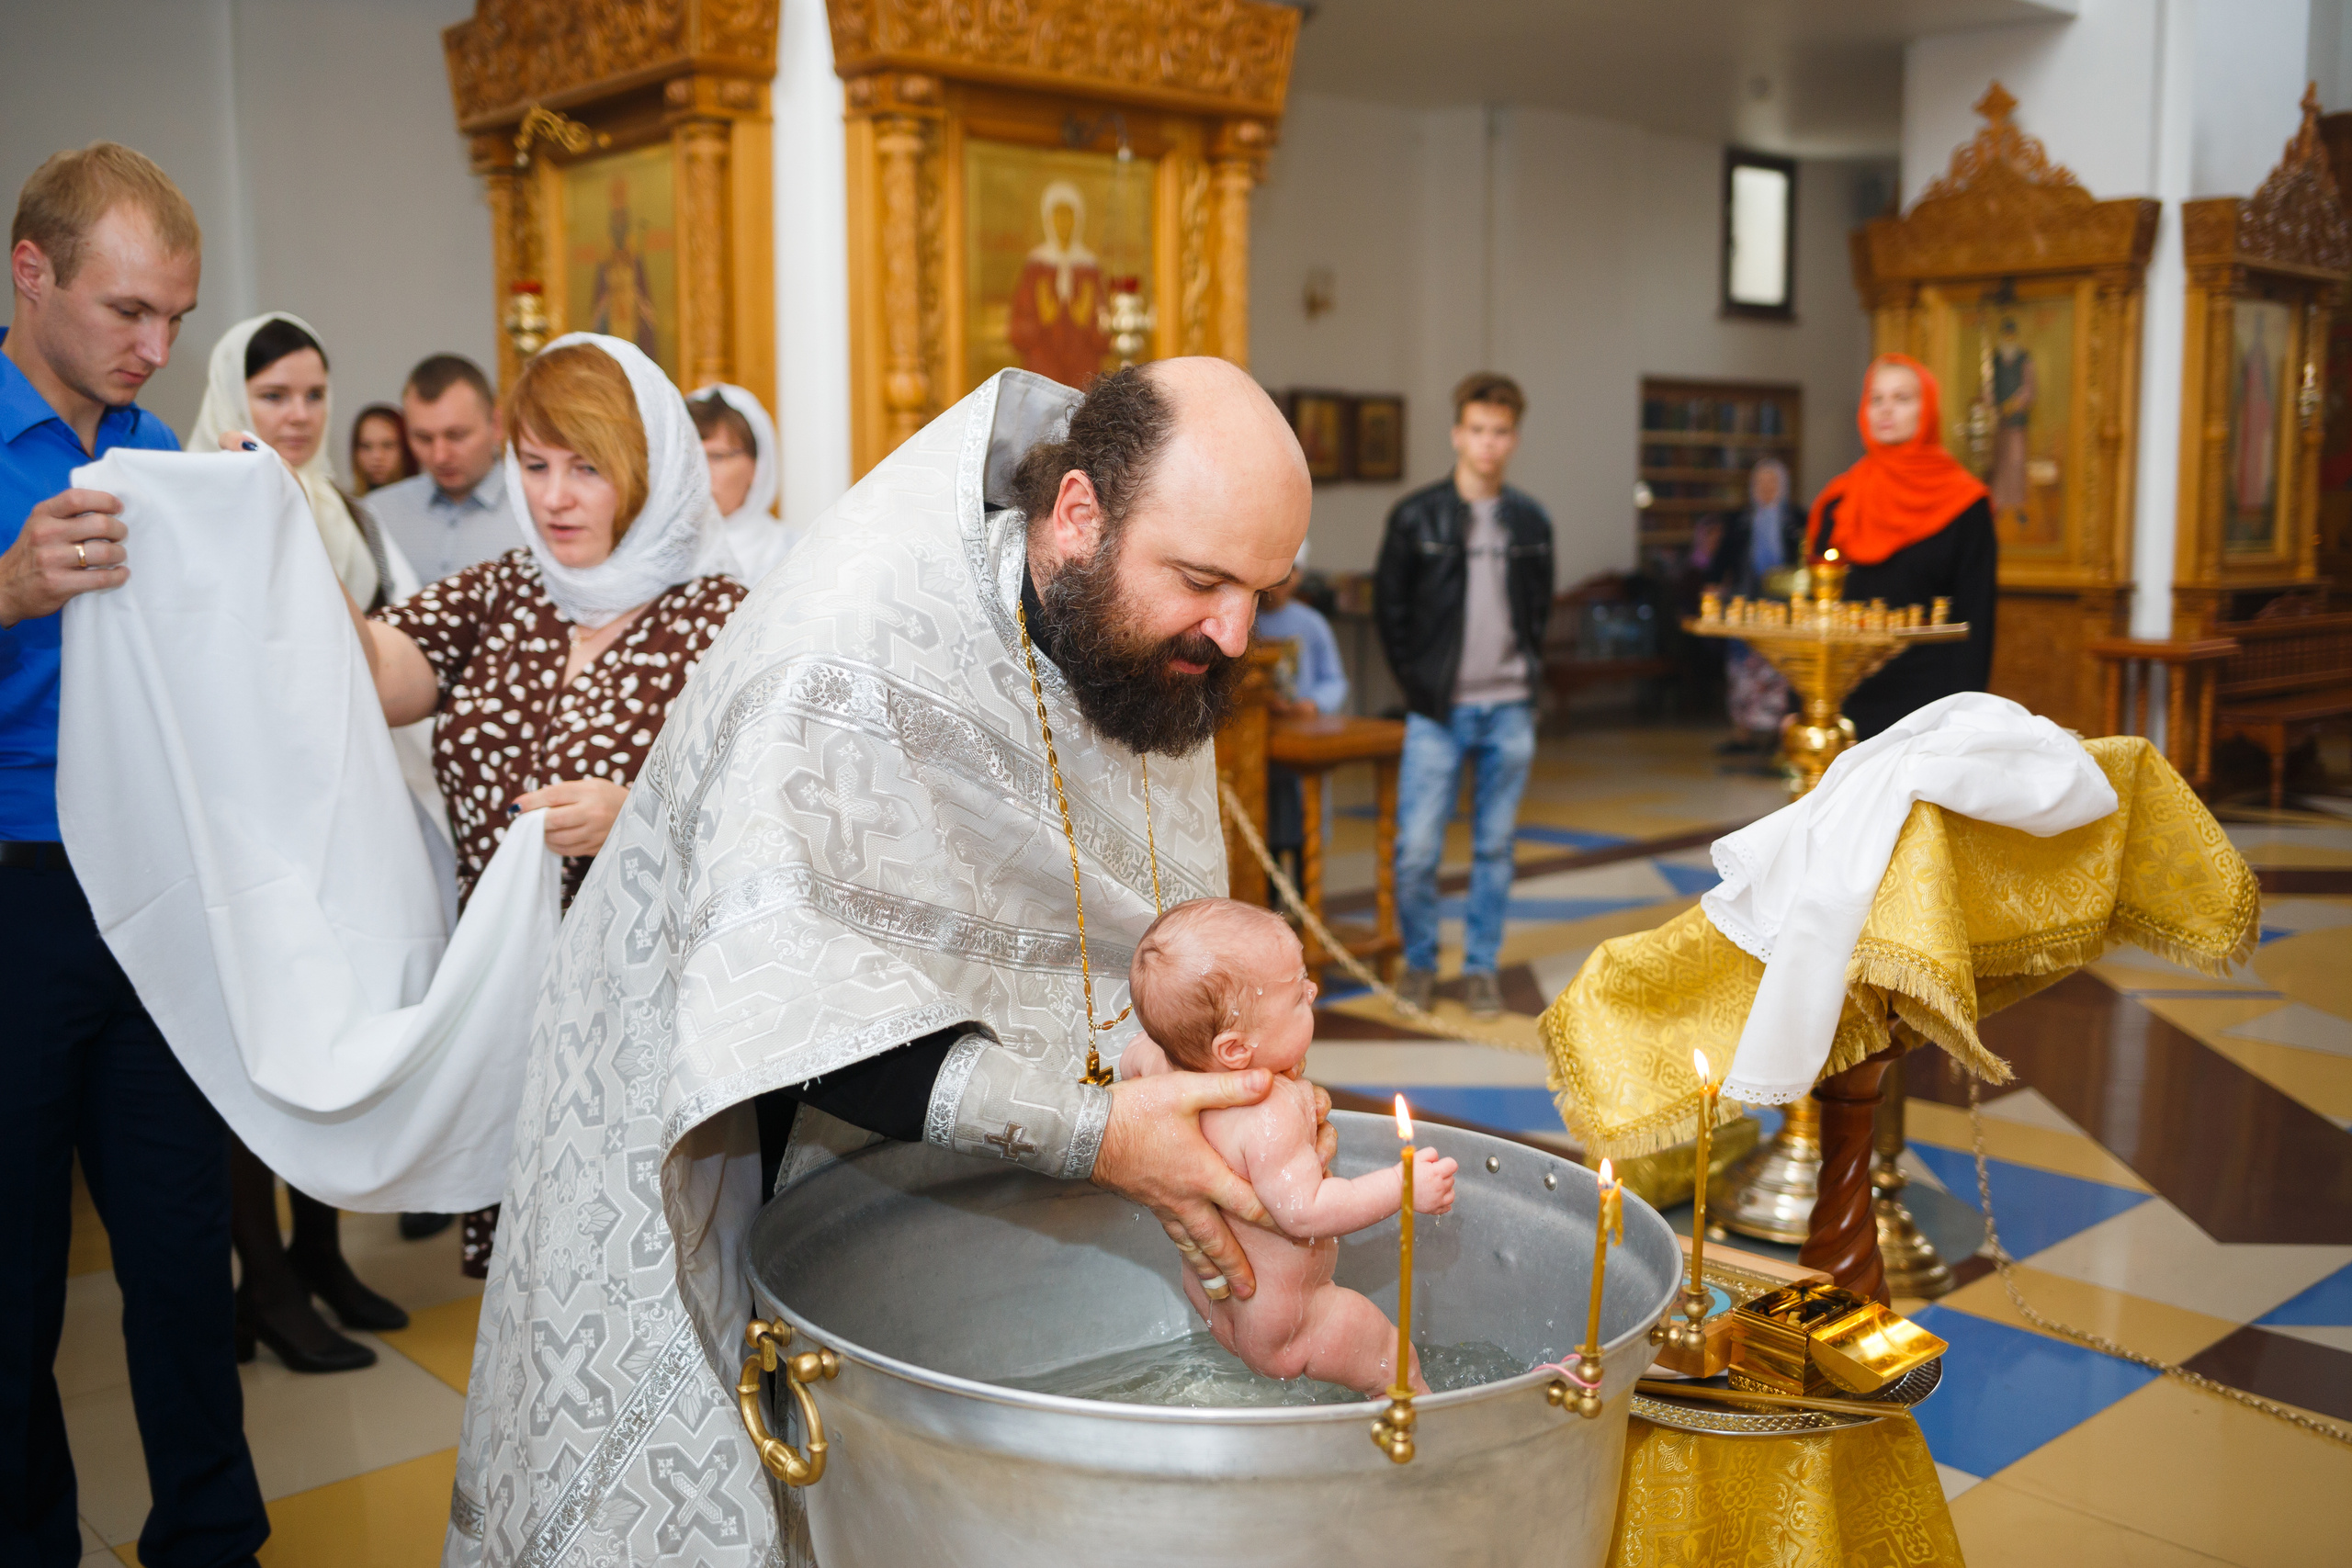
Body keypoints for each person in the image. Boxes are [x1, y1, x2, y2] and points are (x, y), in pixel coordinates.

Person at [450, 359, 1323, 1566]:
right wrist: (1098, 1131)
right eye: (1206, 581)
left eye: (1264, 593)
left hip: (929, 1165)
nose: (1233, 632)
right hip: (721, 1130)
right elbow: (791, 1009)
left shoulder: (1142, 644)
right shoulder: (847, 649)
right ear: (1078, 514)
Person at [333, 333, 742, 1278]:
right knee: (530, 1291)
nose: (552, 497)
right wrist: (286, 540)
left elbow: (777, 813)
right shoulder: (508, 591)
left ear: (646, 473)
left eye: (587, 468)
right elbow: (373, 676)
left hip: (644, 1028)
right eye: (536, 465)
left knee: (640, 1282)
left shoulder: (720, 617)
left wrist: (637, 813)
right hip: (509, 1015)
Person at [0, 141, 269, 1568]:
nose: (157, 349)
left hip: (150, 893)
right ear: (29, 273)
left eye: (176, 316)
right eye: (128, 314)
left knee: (180, 1249)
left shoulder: (160, 452)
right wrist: (5, 587)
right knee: (17, 1280)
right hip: (12, 897)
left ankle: (213, 1539)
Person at [190, 311, 418, 1372]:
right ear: (236, 397)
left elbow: (396, 640)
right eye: (274, 394)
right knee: (263, 1052)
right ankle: (263, 1285)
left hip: (343, 811)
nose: (296, 415)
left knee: (340, 1033)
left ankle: (319, 1254)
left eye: (313, 394)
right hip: (250, 819)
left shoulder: (345, 513)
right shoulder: (205, 498)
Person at [1123, 898, 1455, 1396]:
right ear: (1235, 1050)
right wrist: (1402, 1187)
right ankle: (1431, 1446)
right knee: (1394, 1365)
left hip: (1218, 1298)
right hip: (1294, 1317)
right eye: (1298, 996)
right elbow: (1305, 1212)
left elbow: (1131, 1061)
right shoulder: (1268, 1112)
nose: (1313, 990)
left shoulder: (1164, 1069)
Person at [1374, 372, 1554, 1019]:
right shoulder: (1416, 516)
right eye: (1477, 429)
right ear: (1457, 434)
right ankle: (1421, 960)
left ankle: (1480, 967)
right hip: (1438, 710)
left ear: (1513, 438)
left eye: (1500, 431)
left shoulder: (1530, 521)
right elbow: (1388, 610)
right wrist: (1418, 685)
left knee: (1495, 847)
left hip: (1509, 706)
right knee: (1418, 848)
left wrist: (1528, 682)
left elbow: (1538, 612)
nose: (1487, 443)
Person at [1805, 355, 1996, 740]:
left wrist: (1965, 710)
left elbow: (1977, 615)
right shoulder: (1840, 500)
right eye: (1876, 399)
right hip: (1848, 694)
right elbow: (1820, 613)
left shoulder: (1965, 504)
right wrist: (1807, 698)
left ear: (1927, 409)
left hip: (1931, 699)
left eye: (1902, 398)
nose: (1886, 410)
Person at [365, 353, 509, 581]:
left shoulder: (539, 511)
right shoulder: (377, 515)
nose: (440, 456)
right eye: (424, 438)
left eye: (456, 435)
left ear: (496, 425)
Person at [1256, 540, 1348, 890]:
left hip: (1303, 743)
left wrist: (1313, 704)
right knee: (1265, 831)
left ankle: (1308, 908)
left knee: (1304, 828)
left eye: (1289, 573)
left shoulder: (1312, 624)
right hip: (1261, 747)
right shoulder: (1247, 622)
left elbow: (1335, 680)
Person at [1707, 457, 1802, 752]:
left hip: (1785, 610)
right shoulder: (1740, 521)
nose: (1766, 488)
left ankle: (1778, 734)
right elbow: (1720, 561)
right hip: (1745, 606)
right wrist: (1712, 585)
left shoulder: (1796, 520)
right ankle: (1743, 734)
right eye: (1760, 483)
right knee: (1742, 670)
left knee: (1778, 672)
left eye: (1772, 482)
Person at [690, 382, 797, 584]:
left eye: (716, 457)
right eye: (691, 457)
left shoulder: (794, 556)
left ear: (758, 466)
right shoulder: (655, 552)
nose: (699, 472)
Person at [1007, 179, 1110, 388]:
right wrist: (1042, 318)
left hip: (1083, 369)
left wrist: (1088, 320)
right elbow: (1018, 326)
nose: (1063, 222)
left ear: (1079, 218)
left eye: (1069, 214)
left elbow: (1104, 328)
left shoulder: (1088, 266)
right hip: (1043, 370)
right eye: (1058, 214)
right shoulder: (1037, 265)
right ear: (1048, 218)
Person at [350, 400, 416, 493]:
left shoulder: (428, 503)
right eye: (366, 446)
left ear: (406, 449)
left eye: (388, 446)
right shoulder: (341, 505)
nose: (377, 456)